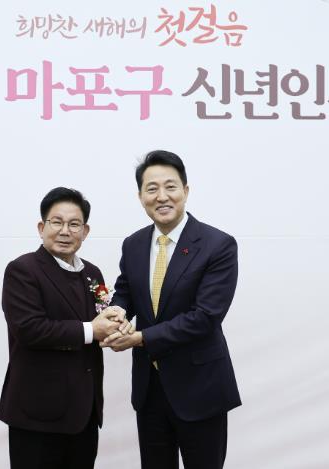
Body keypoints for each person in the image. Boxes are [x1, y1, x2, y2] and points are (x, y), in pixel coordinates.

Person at [102, 150, 240, 469]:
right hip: (149, 389)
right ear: (140, 197)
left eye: (170, 187)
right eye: (152, 189)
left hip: (200, 388)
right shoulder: (133, 244)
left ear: (185, 191)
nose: (161, 196)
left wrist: (140, 338)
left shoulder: (218, 245)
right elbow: (125, 291)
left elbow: (205, 317)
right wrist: (117, 312)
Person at [0, 187, 130, 469]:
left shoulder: (92, 273)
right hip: (37, 414)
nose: (65, 231)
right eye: (57, 222)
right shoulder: (23, 270)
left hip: (84, 412)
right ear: (41, 227)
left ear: (85, 231)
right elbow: (30, 329)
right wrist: (92, 330)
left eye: (74, 224)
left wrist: (117, 325)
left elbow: (99, 320)